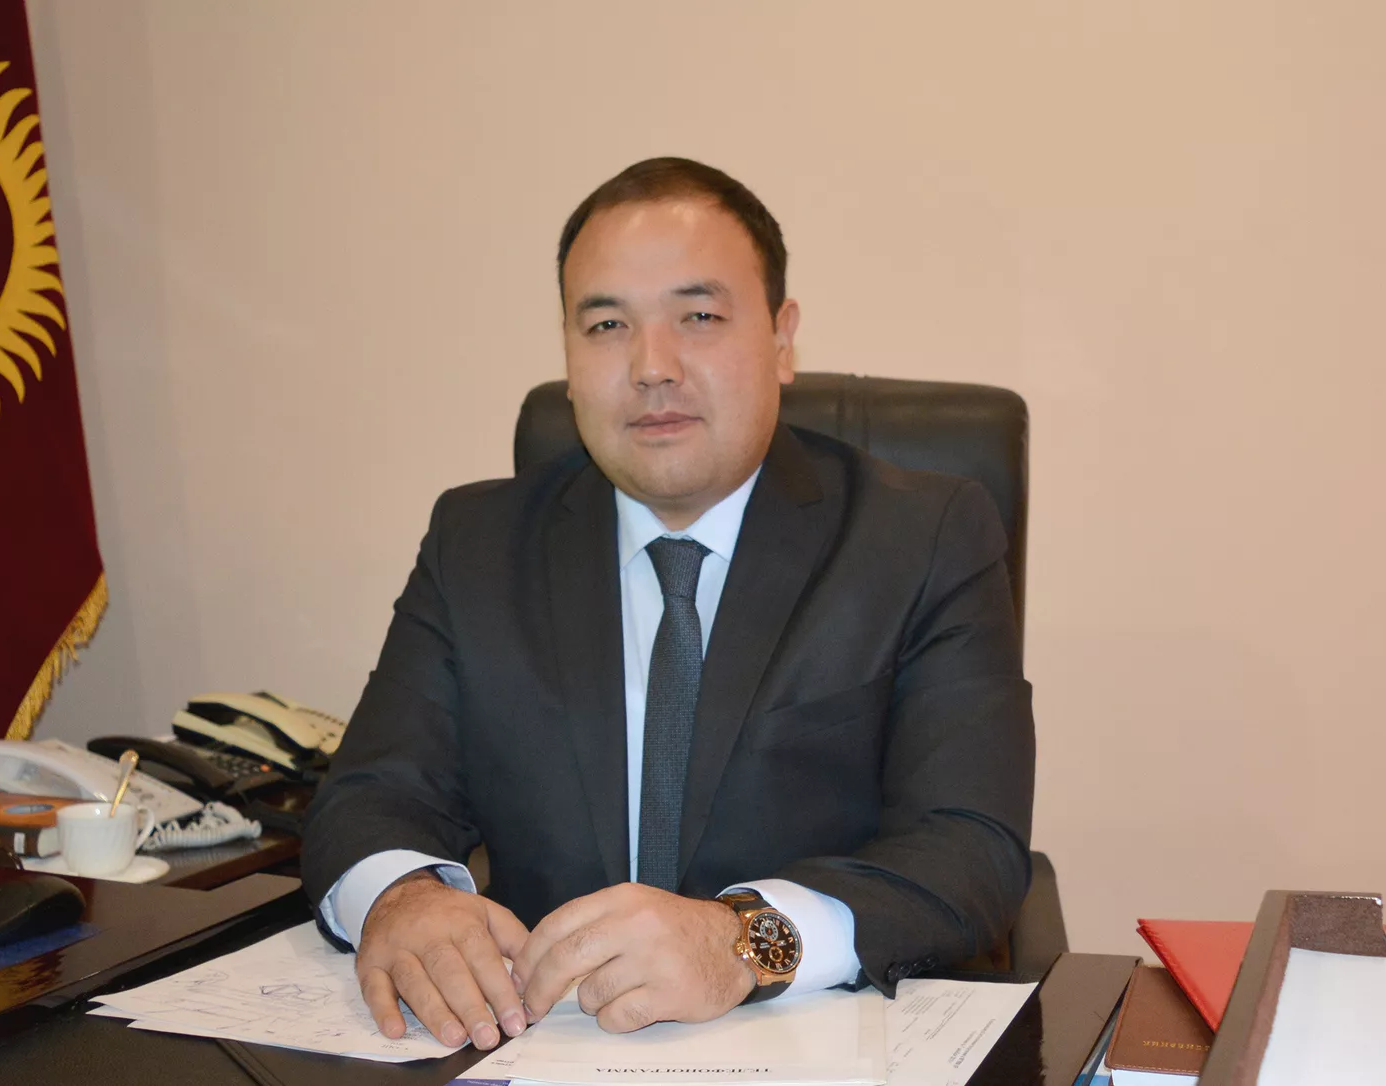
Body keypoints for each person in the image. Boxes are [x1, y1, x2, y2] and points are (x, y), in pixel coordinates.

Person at [303, 157, 1034, 1049]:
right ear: (568, 356)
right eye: (607, 324)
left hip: (819, 1046)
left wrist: (743, 942)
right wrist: (401, 896)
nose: (652, 367)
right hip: (547, 1045)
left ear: (782, 339)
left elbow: (971, 845)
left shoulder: (922, 537)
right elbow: (372, 791)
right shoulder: (478, 543)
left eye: (699, 317)